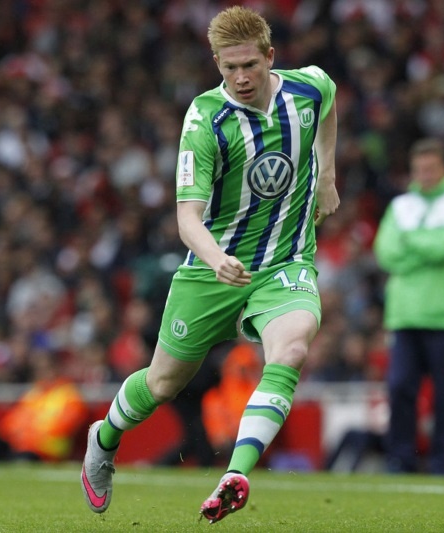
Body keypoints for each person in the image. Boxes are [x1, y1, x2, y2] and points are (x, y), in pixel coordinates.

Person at [80, 5, 339, 524]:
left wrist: (328, 172)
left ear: (270, 56)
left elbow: (330, 104)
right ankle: (102, 440)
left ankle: (235, 473)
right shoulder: (205, 121)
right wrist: (218, 259)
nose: (241, 78)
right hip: (211, 269)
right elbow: (187, 219)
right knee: (162, 384)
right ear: (216, 63)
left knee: (289, 348)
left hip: (285, 262)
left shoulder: (309, 88)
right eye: (229, 68)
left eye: (250, 65)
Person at [373, 138, 444, 475]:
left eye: (430, 168)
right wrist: (427, 247)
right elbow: (385, 253)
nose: (424, 175)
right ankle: (400, 461)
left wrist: (411, 242)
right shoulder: (400, 205)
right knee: (400, 389)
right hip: (404, 315)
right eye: (419, 169)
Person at [0, 347, 88, 463]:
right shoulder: (35, 392)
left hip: (46, 448)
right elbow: (13, 420)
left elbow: (65, 426)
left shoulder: (68, 394)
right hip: (23, 443)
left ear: (56, 369)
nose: (43, 373)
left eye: (46, 368)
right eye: (39, 369)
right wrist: (15, 435)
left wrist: (29, 436)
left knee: (23, 455)